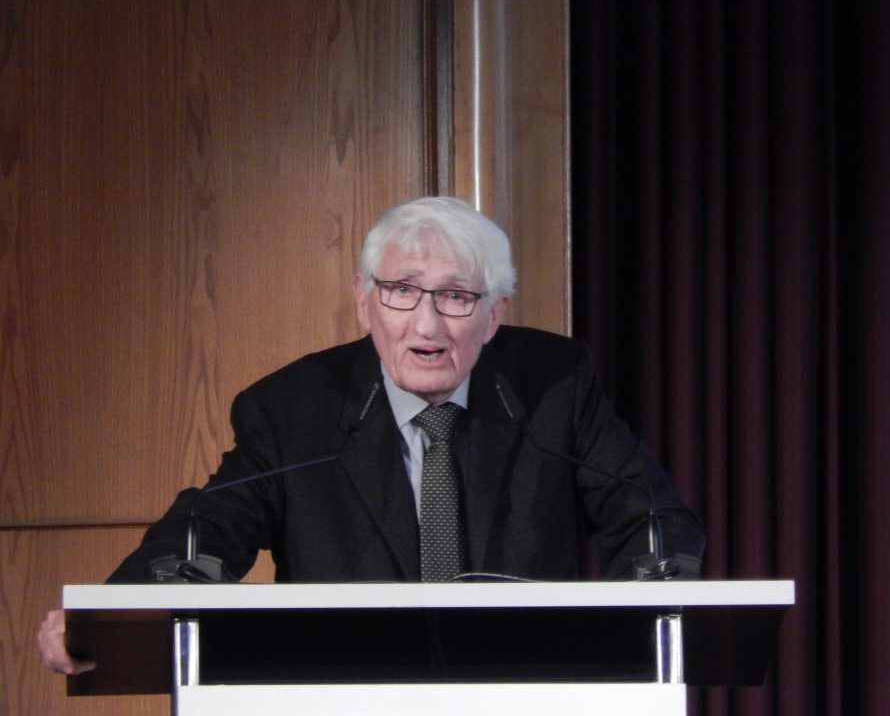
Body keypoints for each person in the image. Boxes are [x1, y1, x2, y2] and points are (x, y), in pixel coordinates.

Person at [38, 196, 705, 674]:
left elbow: (652, 518)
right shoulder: (292, 408)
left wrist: (632, 622)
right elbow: (209, 527)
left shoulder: (553, 384)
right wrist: (110, 616)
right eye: (401, 291)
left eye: (456, 296)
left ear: (495, 313)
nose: (427, 325)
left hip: (521, 686)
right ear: (363, 300)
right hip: (343, 688)